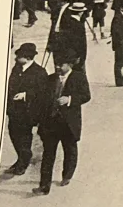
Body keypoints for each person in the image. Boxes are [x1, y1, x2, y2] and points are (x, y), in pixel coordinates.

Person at [34, 51, 90, 196]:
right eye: (56, 64)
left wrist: (70, 99)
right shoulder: (50, 79)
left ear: (69, 64)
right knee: (48, 154)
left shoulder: (78, 77)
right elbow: (43, 100)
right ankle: (44, 186)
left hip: (68, 123)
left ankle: (67, 175)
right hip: (51, 122)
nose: (58, 67)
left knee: (70, 149)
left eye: (61, 65)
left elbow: (86, 96)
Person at [5, 42, 47, 177]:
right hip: (14, 110)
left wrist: (26, 95)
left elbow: (42, 92)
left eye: (19, 56)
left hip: (28, 112)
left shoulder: (39, 72)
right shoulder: (16, 68)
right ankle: (21, 157)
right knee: (13, 134)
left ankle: (23, 162)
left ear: (28, 57)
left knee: (24, 137)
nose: (16, 58)